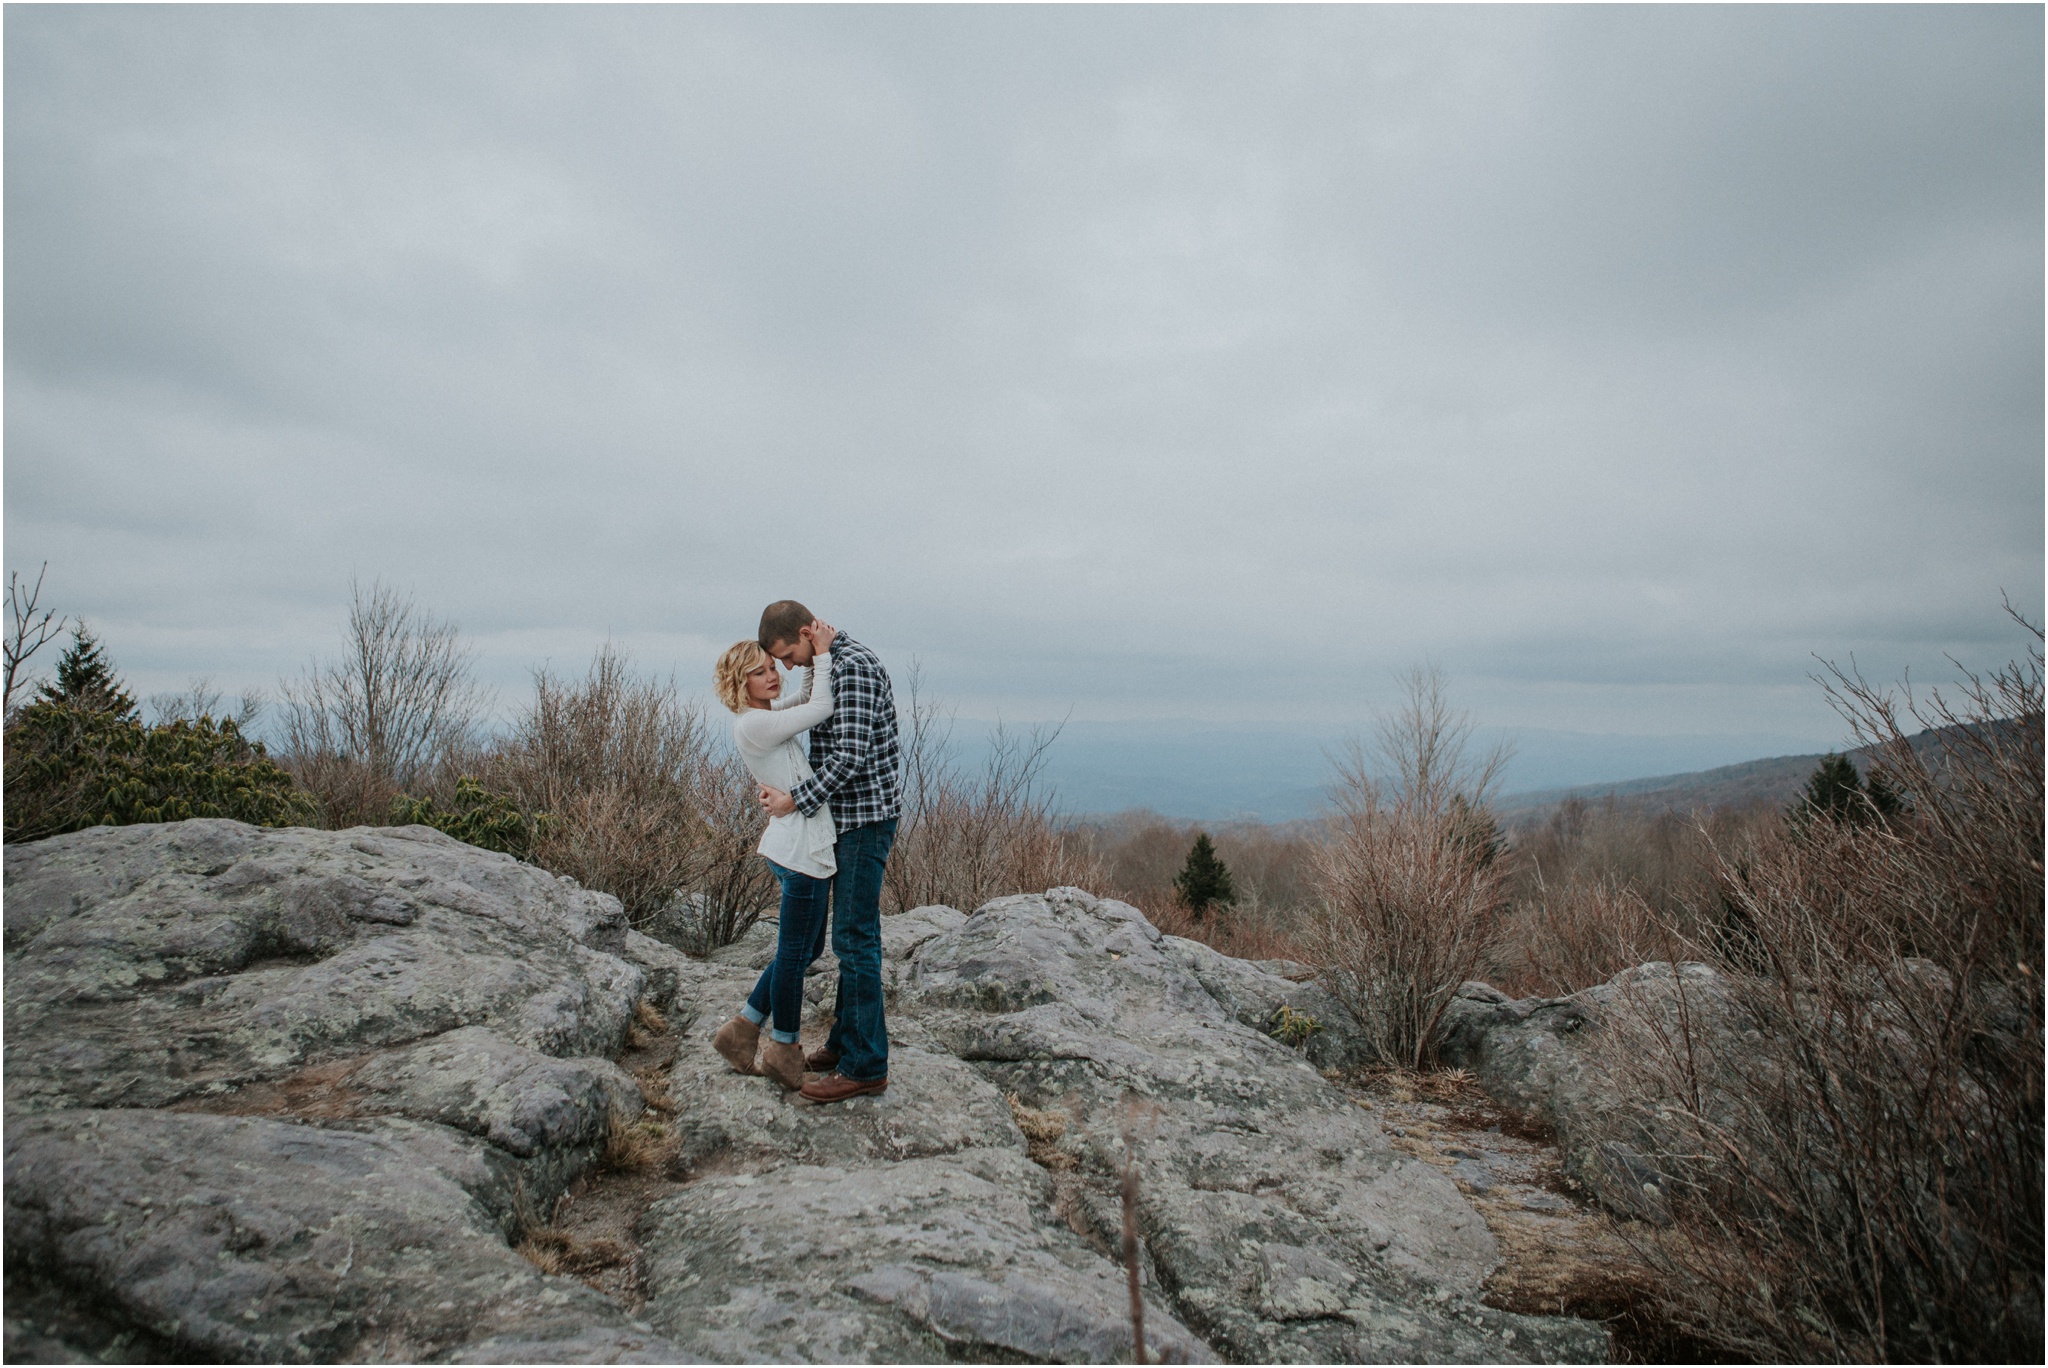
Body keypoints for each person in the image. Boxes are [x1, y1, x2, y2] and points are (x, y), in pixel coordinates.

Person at [755, 598, 901, 1103]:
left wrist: (795, 800)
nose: (790, 667)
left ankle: (865, 1065)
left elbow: (849, 757)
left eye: (789, 656)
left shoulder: (854, 666)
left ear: (803, 632)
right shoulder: (830, 664)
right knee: (850, 937)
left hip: (865, 821)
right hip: (846, 820)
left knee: (855, 939)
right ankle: (845, 1043)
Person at [707, 619, 839, 1089]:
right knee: (792, 956)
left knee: (805, 950)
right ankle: (783, 1049)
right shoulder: (756, 723)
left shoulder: (761, 715)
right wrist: (821, 653)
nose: (772, 676)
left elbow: (803, 700)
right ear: (740, 683)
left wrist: (805, 666)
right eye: (760, 672)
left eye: (771, 667)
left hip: (796, 847)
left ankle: (741, 1030)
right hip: (799, 852)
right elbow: (821, 707)